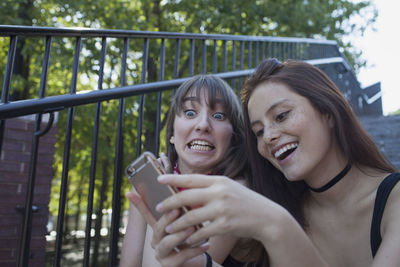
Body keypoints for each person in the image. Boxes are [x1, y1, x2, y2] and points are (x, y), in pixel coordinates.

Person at [143, 59, 400, 266]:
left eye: (281, 115)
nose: (269, 136)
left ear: (328, 111)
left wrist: (276, 224)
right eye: (258, 131)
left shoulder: (394, 201)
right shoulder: (285, 205)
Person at [120, 75, 255, 266]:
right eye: (190, 113)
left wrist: (161, 190)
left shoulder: (237, 191)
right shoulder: (146, 182)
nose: (202, 125)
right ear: (173, 135)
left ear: (233, 137)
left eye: (218, 116)